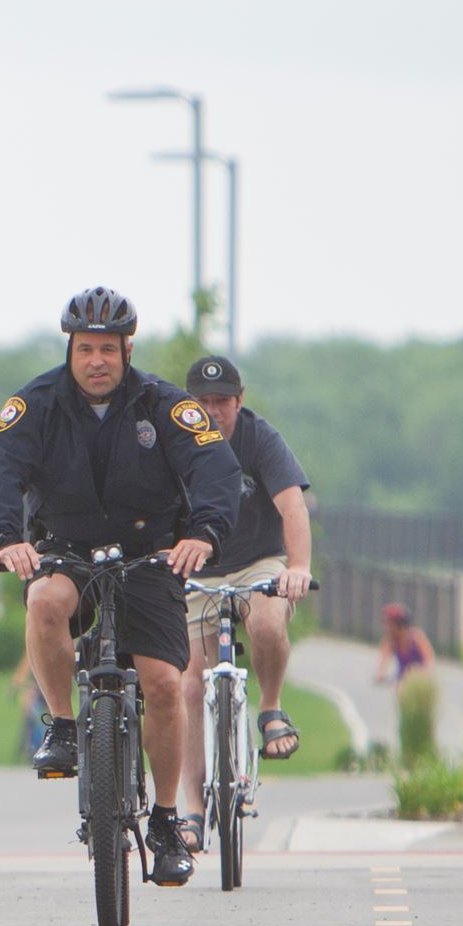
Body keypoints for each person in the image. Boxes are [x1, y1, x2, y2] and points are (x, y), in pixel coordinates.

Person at [0, 287, 241, 888]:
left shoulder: (165, 406)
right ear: (69, 350)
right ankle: (62, 726)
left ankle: (167, 822)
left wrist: (203, 534)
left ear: (127, 352)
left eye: (108, 350)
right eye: (86, 349)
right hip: (65, 547)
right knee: (45, 600)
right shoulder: (35, 404)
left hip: (150, 554)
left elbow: (216, 470)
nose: (97, 361)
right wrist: (5, 538)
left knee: (164, 684)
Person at [172, 355, 313, 848]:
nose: (213, 411)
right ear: (189, 404)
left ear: (240, 401)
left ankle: (271, 708)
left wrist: (298, 567)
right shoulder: (173, 440)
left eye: (223, 401)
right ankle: (192, 810)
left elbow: (292, 504)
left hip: (257, 561)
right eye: (203, 402)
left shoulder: (259, 439)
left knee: (269, 623)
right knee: (189, 686)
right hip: (195, 569)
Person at [375, 603, 436, 684]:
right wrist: (380, 674)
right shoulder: (390, 641)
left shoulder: (417, 637)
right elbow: (383, 661)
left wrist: (424, 674)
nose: (385, 627)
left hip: (420, 678)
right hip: (402, 678)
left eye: (389, 624)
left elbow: (429, 660)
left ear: (399, 624)